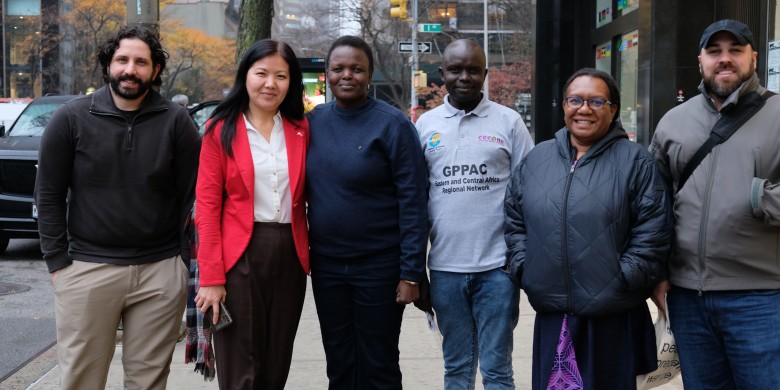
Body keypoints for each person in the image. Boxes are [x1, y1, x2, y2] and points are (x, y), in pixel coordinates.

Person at [34, 26, 201, 389]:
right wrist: (58, 264)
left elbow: (194, 196)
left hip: (160, 271)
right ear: (108, 64)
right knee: (82, 379)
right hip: (87, 269)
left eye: (141, 62)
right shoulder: (71, 118)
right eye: (122, 60)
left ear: (155, 70)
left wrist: (183, 263)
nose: (130, 69)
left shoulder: (176, 121)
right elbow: (47, 194)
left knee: (148, 381)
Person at [504, 68, 672, 389]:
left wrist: (623, 278)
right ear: (564, 105)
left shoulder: (635, 162)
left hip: (613, 316)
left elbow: (653, 232)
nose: (584, 109)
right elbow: (514, 219)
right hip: (554, 314)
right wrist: (524, 268)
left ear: (613, 109)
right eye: (575, 100)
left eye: (596, 101)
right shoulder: (538, 158)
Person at [650, 19, 780, 388]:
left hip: (761, 298)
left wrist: (760, 197)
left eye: (735, 50)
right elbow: (653, 206)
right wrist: (657, 274)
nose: (725, 59)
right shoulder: (674, 122)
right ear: (701, 60)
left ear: (753, 58)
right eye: (715, 51)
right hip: (688, 299)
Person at [305, 35, 429, 389]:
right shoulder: (312, 123)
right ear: (326, 74)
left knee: (379, 363)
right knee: (340, 361)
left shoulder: (392, 125)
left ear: (370, 74)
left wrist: (411, 273)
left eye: (357, 69)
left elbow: (413, 201)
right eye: (338, 68)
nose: (347, 75)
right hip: (328, 267)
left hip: (380, 266)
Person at [415, 38, 534, 389]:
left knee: (497, 369)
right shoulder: (424, 126)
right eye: (455, 70)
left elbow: (529, 193)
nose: (464, 77)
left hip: (498, 270)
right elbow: (415, 201)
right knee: (457, 369)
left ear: (486, 74)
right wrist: (415, 270)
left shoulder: (509, 122)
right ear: (442, 74)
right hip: (445, 271)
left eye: (472, 70)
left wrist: (521, 260)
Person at [193, 39, 310, 389]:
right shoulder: (220, 130)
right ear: (246, 75)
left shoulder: (302, 129)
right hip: (239, 254)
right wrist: (212, 277)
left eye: (281, 76)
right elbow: (207, 207)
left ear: (291, 82)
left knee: (277, 363)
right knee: (241, 365)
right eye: (261, 73)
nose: (270, 84)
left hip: (291, 252)